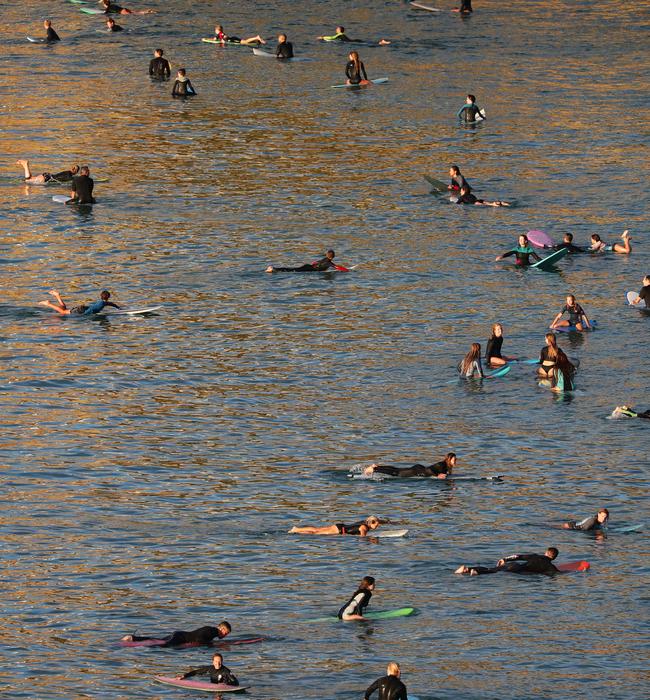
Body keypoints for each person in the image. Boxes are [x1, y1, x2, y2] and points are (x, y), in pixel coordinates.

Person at [455, 547, 560, 576]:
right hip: (517, 570)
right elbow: (556, 573)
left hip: (513, 564)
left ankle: (468, 569)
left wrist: (505, 559)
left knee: (493, 569)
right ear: (554, 558)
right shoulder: (549, 566)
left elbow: (518, 556)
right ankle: (476, 572)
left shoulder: (534, 556)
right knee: (493, 572)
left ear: (546, 552)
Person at [121, 621, 231, 647]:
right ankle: (136, 643)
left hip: (179, 634)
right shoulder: (212, 631)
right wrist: (210, 645)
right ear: (220, 628)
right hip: (180, 637)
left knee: (159, 640)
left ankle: (133, 638)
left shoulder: (211, 630)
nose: (225, 635)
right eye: (225, 632)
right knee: (164, 646)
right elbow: (199, 638)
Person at [363, 453, 456, 479]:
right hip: (417, 471)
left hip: (419, 469)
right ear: (449, 459)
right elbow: (430, 471)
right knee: (397, 473)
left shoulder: (446, 466)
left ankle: (377, 467)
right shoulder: (441, 464)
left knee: (397, 470)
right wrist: (436, 476)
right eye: (454, 459)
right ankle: (374, 469)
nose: (455, 461)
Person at [39, 290, 120, 316]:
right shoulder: (102, 303)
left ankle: (57, 295)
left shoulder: (102, 302)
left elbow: (111, 304)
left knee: (64, 308)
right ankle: (48, 303)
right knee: (63, 312)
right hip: (81, 311)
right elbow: (90, 310)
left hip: (81, 308)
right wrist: (84, 316)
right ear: (108, 297)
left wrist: (118, 308)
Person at [265, 249, 347, 273]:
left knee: (293, 269)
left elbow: (315, 262)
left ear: (326, 255)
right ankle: (274, 269)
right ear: (334, 256)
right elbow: (336, 267)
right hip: (309, 269)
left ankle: (274, 268)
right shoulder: (329, 263)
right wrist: (347, 270)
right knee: (292, 270)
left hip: (308, 266)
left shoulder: (324, 259)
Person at [289, 516, 381, 536]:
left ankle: (297, 529)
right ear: (371, 523)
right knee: (316, 533)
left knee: (317, 529)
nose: (377, 527)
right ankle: (296, 531)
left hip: (340, 526)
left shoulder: (365, 522)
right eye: (376, 525)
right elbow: (362, 538)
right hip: (340, 531)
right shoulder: (364, 528)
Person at [317, 26, 390, 45]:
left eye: (337, 29)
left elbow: (332, 37)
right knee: (368, 42)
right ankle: (381, 42)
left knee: (368, 43)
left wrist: (322, 37)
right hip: (354, 40)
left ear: (339, 30)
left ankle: (380, 42)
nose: (336, 30)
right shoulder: (341, 34)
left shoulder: (339, 34)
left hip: (352, 42)